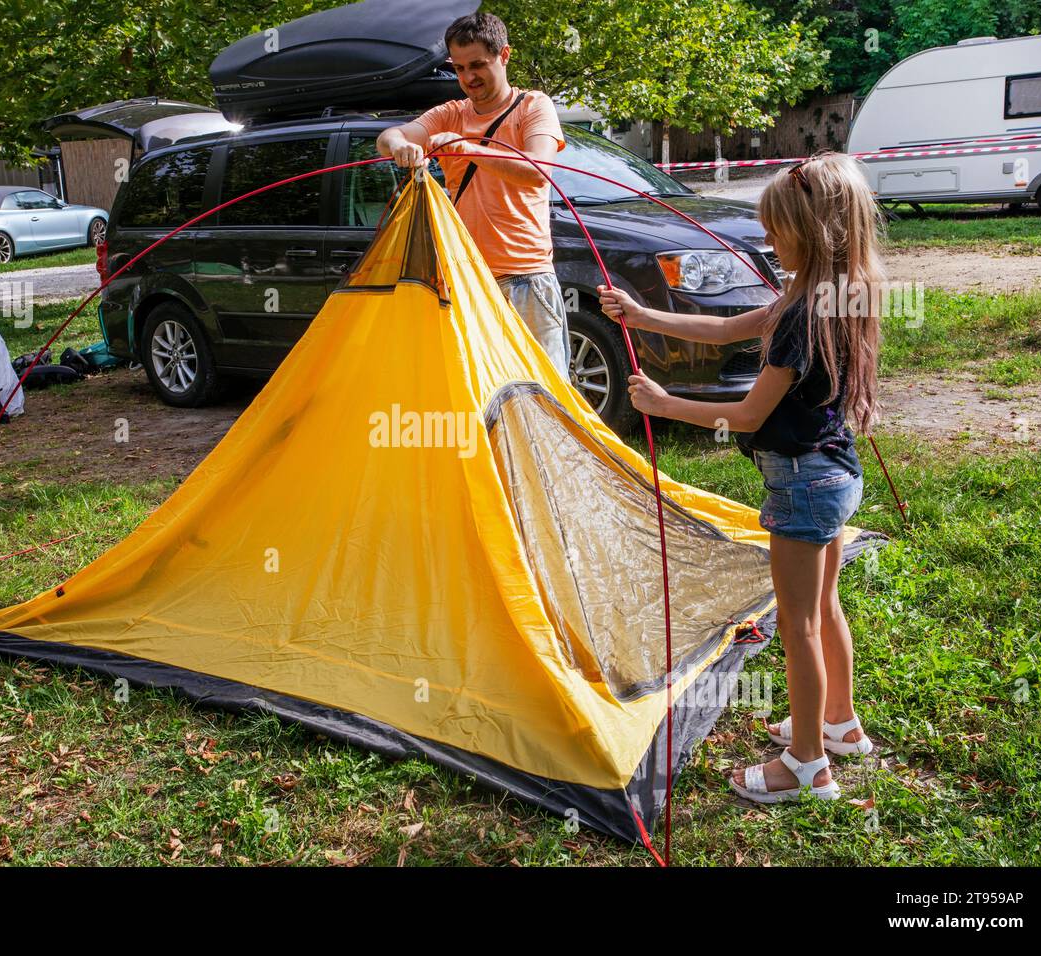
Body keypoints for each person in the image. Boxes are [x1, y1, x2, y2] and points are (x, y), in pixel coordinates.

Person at [598, 152, 885, 802]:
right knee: (822, 609)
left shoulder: (801, 317)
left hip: (804, 485)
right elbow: (727, 326)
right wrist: (645, 317)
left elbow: (751, 411)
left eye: (777, 228)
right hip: (835, 474)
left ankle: (806, 765)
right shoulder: (827, 295)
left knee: (798, 624)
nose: (768, 239)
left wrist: (667, 406)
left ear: (812, 233)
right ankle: (838, 723)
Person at [376, 12, 572, 378]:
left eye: (478, 65)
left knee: (545, 395)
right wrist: (400, 144)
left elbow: (538, 171)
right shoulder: (451, 113)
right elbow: (387, 138)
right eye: (460, 68)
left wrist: (467, 147)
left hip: (526, 277)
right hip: (467, 278)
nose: (468, 78)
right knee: (480, 392)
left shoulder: (533, 106)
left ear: (505, 55)